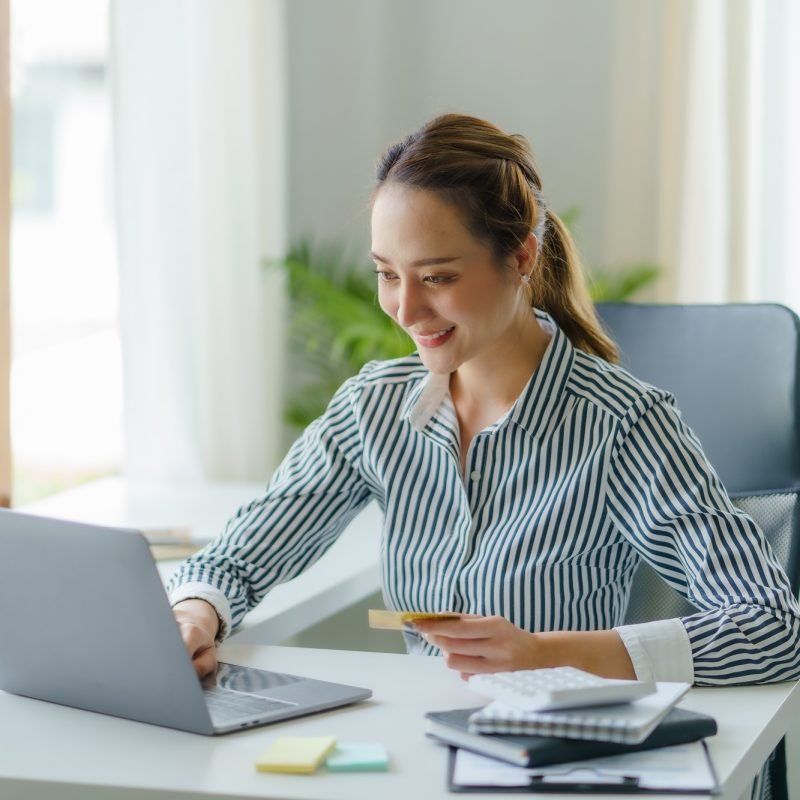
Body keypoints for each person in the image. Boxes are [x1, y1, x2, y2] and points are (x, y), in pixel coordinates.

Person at [168, 113, 800, 687]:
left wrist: (553, 653)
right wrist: (195, 615)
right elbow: (238, 560)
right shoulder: (373, 410)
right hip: (420, 754)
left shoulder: (621, 425)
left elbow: (771, 626)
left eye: (438, 277)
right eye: (388, 275)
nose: (406, 311)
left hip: (563, 761)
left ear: (521, 256)